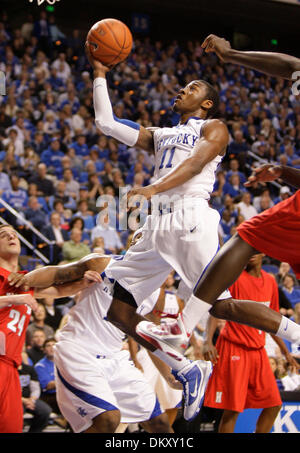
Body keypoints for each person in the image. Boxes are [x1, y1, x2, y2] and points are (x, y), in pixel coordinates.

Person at [125, 37, 300, 386]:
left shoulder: (212, 128)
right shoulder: (172, 132)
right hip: (168, 220)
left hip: (188, 214)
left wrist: (232, 53)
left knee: (246, 238)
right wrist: (284, 172)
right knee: (231, 272)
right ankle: (182, 330)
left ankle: (182, 329)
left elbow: (292, 66)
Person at [52, 264, 178, 433]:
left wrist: (168, 376)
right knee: (108, 420)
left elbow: (152, 339)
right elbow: (51, 279)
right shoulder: (103, 263)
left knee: (160, 423)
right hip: (80, 352)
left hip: (115, 357)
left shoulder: (157, 294)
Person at [0, 224, 96, 433]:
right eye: (3, 234)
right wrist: (15, 298)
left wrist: (83, 283)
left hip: (10, 368)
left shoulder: (25, 281)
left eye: (14, 233)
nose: (11, 236)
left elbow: (60, 289)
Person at [203, 253, 299, 433]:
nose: (249, 255)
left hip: (258, 349)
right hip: (234, 346)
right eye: (246, 251)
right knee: (232, 411)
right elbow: (217, 308)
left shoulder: (270, 281)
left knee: (274, 404)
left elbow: (273, 321)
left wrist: (285, 352)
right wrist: (207, 340)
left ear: (263, 252)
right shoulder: (235, 277)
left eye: (254, 251)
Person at [18, 353, 52, 433]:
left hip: (30, 399)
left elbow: (35, 389)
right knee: (17, 413)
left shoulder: (29, 369)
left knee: (45, 411)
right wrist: (23, 400)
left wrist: (31, 400)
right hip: (14, 400)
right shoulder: (7, 370)